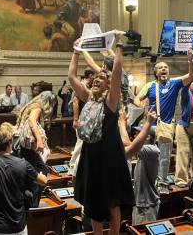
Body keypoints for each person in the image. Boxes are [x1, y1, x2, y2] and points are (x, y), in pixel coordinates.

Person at [68, 32, 135, 234]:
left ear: (108, 86)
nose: (97, 79)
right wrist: (76, 51)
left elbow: (116, 72)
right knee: (93, 203)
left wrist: (119, 44)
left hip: (110, 158)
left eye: (101, 79)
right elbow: (71, 76)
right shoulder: (88, 98)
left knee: (113, 202)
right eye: (96, 77)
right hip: (91, 158)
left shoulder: (111, 102)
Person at [134, 48, 193, 192]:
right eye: (160, 68)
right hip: (150, 126)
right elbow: (138, 98)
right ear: (156, 72)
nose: (163, 69)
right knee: (144, 154)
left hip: (166, 126)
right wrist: (141, 105)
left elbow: (191, 75)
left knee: (164, 157)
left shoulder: (175, 83)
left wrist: (190, 60)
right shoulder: (150, 85)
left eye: (165, 67)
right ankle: (144, 179)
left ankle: (161, 183)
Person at [15, 91, 56, 207]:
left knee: (37, 173)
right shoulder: (38, 107)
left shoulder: (30, 106)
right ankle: (33, 207)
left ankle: (30, 204)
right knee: (35, 178)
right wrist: (39, 139)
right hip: (30, 150)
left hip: (24, 149)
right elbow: (31, 121)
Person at [118, 110, 160, 224]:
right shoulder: (146, 151)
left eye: (139, 133)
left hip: (147, 206)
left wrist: (122, 123)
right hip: (140, 204)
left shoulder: (151, 150)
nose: (136, 136)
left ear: (147, 137)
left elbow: (127, 143)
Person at [68, 68, 95, 176]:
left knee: (82, 144)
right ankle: (72, 167)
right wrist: (75, 119)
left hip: (87, 121)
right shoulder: (81, 85)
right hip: (81, 121)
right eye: (95, 75)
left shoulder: (90, 86)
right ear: (90, 75)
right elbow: (75, 102)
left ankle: (77, 166)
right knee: (80, 144)